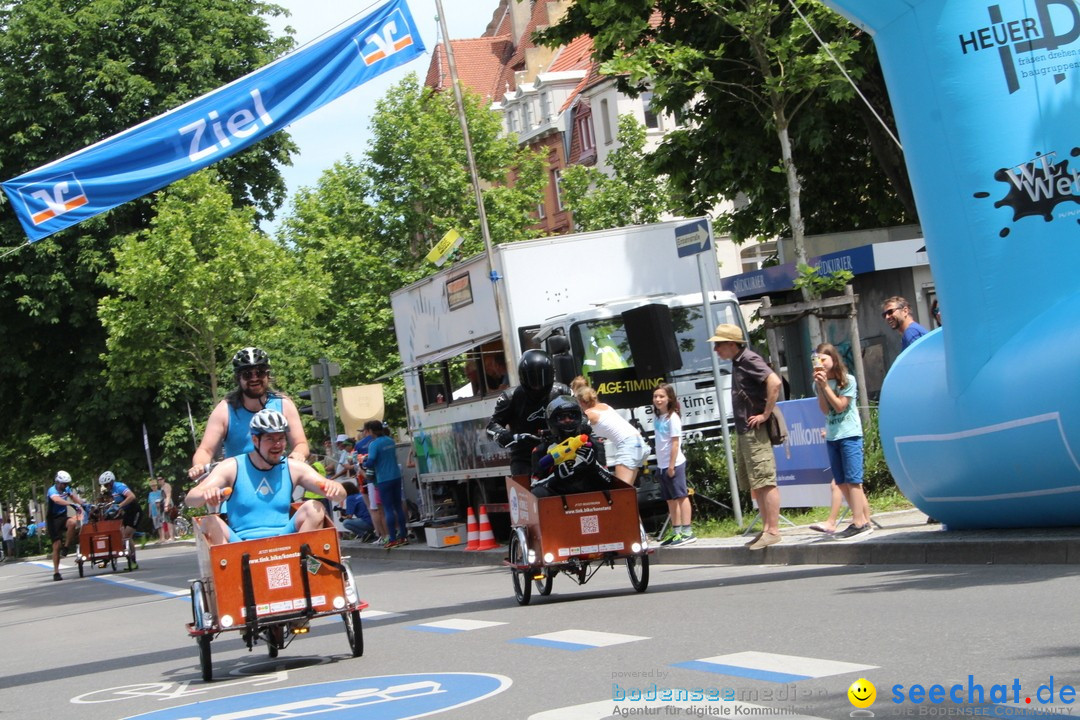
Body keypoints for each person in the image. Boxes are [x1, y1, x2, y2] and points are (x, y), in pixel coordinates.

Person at [184, 409, 345, 544]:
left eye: (281, 438)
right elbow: (191, 499)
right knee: (209, 521)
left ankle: (302, 563)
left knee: (314, 507)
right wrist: (206, 494)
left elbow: (340, 494)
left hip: (285, 540)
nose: (277, 444)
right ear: (255, 440)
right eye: (270, 438)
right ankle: (230, 575)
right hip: (240, 543)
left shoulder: (293, 467)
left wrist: (335, 489)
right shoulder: (232, 466)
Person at [710, 323, 783, 550]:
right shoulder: (738, 362)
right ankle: (765, 529)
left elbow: (775, 381)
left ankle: (773, 530)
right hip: (745, 430)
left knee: (765, 480)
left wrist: (765, 413)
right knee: (756, 483)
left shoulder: (749, 359)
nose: (716, 350)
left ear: (732, 344)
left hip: (755, 430)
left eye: (719, 345)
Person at [188, 347, 309, 481]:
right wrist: (199, 465)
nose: (254, 378)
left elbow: (301, 443)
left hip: (276, 480)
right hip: (238, 483)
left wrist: (298, 454)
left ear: (268, 375)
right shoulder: (224, 410)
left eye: (260, 373)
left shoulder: (284, 404)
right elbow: (205, 450)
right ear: (238, 378)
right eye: (247, 374)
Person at [811, 343, 873, 539]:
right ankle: (863, 521)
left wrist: (825, 387)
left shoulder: (848, 381)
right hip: (832, 436)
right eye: (817, 360)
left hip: (850, 434)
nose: (821, 363)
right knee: (842, 482)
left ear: (833, 359)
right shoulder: (819, 384)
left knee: (854, 480)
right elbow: (825, 410)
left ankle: (859, 522)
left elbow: (839, 406)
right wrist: (821, 388)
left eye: (824, 359)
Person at [487, 350, 571, 486]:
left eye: (541, 380)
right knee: (524, 489)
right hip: (525, 456)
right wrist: (507, 436)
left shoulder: (563, 391)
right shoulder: (510, 397)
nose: (538, 386)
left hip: (561, 450)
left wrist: (581, 425)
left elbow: (581, 416)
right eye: (533, 381)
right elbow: (492, 426)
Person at [531, 395, 614, 498]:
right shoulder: (540, 450)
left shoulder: (595, 444)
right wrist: (556, 476)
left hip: (591, 500)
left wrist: (593, 465)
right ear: (552, 421)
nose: (568, 420)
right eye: (561, 417)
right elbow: (534, 488)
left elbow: (609, 481)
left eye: (572, 416)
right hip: (557, 501)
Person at [574, 379, 650, 486]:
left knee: (620, 491)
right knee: (628, 491)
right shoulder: (605, 406)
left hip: (628, 446)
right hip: (639, 443)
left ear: (581, 402)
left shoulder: (589, 414)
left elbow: (575, 428)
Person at [652, 384, 695, 547]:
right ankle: (676, 531)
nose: (658, 399)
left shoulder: (673, 418)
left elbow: (675, 444)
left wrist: (671, 466)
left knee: (681, 496)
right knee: (670, 499)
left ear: (669, 398)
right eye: (655, 396)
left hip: (674, 464)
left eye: (661, 396)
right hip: (662, 465)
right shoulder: (658, 417)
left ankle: (687, 531)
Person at [363, 421, 407, 548]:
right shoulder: (390, 440)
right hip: (396, 476)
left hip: (383, 479)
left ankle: (392, 539)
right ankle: (403, 536)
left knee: (388, 509)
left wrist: (363, 462)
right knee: (398, 507)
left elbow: (370, 462)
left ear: (371, 431)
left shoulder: (374, 444)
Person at [46, 471, 87, 581]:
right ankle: (56, 572)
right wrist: (70, 504)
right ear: (57, 482)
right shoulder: (52, 490)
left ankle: (67, 547)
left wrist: (83, 505)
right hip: (52, 519)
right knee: (56, 545)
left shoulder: (66, 489)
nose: (65, 486)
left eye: (67, 484)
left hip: (62, 516)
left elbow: (74, 497)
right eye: (63, 484)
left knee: (72, 523)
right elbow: (57, 500)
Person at [98, 470, 142, 569]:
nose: (106, 486)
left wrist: (119, 506)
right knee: (123, 535)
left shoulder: (119, 487)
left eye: (107, 484)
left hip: (135, 511)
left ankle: (133, 562)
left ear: (111, 482)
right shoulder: (112, 490)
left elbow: (132, 496)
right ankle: (133, 557)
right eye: (104, 485)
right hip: (126, 512)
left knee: (127, 536)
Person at [147, 477, 171, 542]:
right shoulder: (150, 494)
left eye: (154, 486)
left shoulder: (160, 492)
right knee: (157, 526)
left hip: (160, 510)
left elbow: (163, 499)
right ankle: (160, 537)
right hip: (154, 511)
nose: (153, 487)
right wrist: (150, 512)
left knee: (162, 524)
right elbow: (149, 503)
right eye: (152, 486)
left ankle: (164, 537)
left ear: (156, 486)